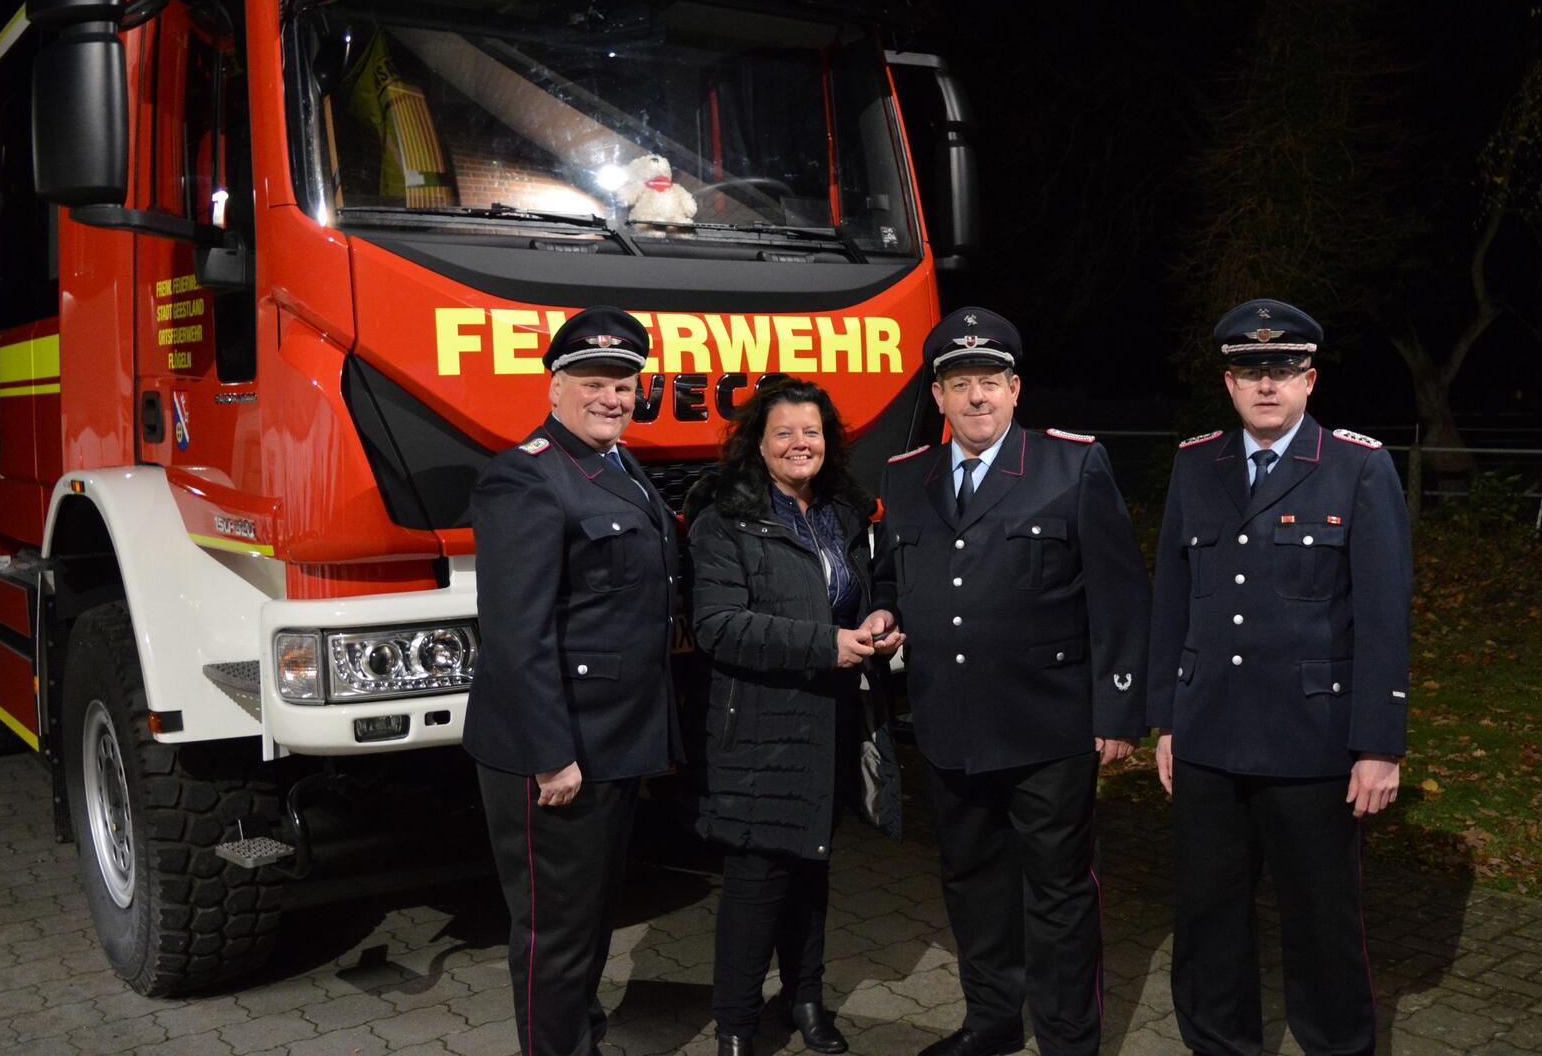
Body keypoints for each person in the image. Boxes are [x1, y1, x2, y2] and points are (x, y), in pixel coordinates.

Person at [867, 307, 1152, 1056]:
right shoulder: (905, 478)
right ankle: (990, 1022)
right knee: (972, 882)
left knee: (1058, 895)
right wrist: (883, 611)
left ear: (1016, 389)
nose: (976, 399)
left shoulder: (1071, 465)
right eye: (959, 385)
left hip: (1047, 726)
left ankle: (1067, 1040)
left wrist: (1119, 711)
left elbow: (1119, 596)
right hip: (947, 724)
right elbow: (888, 576)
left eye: (989, 382)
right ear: (937, 397)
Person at [1147, 298, 1411, 1056]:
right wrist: (1169, 720)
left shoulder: (1358, 467)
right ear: (1228, 383)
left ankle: (1336, 1045)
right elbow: (1174, 595)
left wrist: (1379, 745)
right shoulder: (1197, 464)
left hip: (1313, 742)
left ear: (1310, 379)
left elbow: (1385, 616)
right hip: (1209, 738)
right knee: (1208, 921)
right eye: (1250, 371)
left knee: (1323, 923)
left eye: (1283, 369)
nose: (1267, 385)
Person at [463, 306, 682, 1056]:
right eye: (592, 382)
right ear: (554, 386)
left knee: (589, 920)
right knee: (554, 933)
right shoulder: (524, 478)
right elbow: (516, 638)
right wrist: (552, 753)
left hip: (608, 741)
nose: (611, 397)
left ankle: (579, 1041)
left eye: (624, 383)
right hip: (553, 753)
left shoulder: (616, 466)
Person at [686, 378, 899, 1056]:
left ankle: (805, 1000)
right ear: (757, 442)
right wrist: (826, 643)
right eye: (784, 432)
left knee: (812, 867)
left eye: (811, 431)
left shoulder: (845, 511)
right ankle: (737, 1029)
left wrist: (881, 618)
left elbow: (877, 582)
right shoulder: (726, 517)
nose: (799, 443)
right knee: (757, 882)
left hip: (834, 717)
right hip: (757, 725)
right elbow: (717, 626)